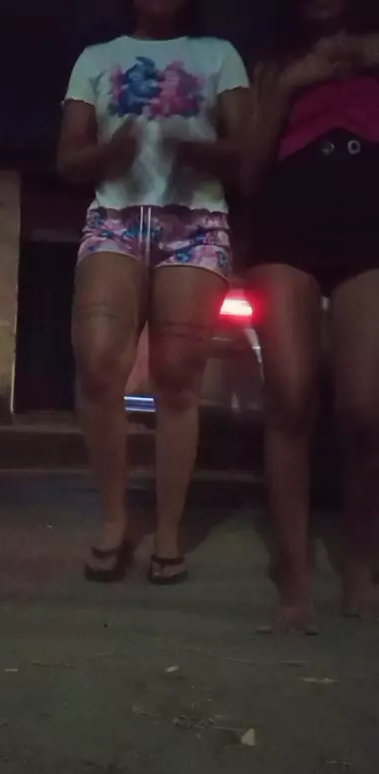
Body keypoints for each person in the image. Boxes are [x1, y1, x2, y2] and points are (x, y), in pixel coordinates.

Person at [58, 0, 249, 584]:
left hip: (195, 221)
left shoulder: (218, 55)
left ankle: (167, 530)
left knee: (178, 376)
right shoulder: (96, 58)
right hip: (115, 218)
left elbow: (245, 151)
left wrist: (193, 148)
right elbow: (68, 159)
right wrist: (108, 154)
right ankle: (115, 520)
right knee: (97, 364)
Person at [242, 0, 379, 630]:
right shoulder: (274, 67)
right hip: (288, 223)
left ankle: (360, 565)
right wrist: (290, 87)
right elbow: (247, 174)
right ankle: (295, 579)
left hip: (369, 226)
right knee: (290, 396)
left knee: (366, 410)